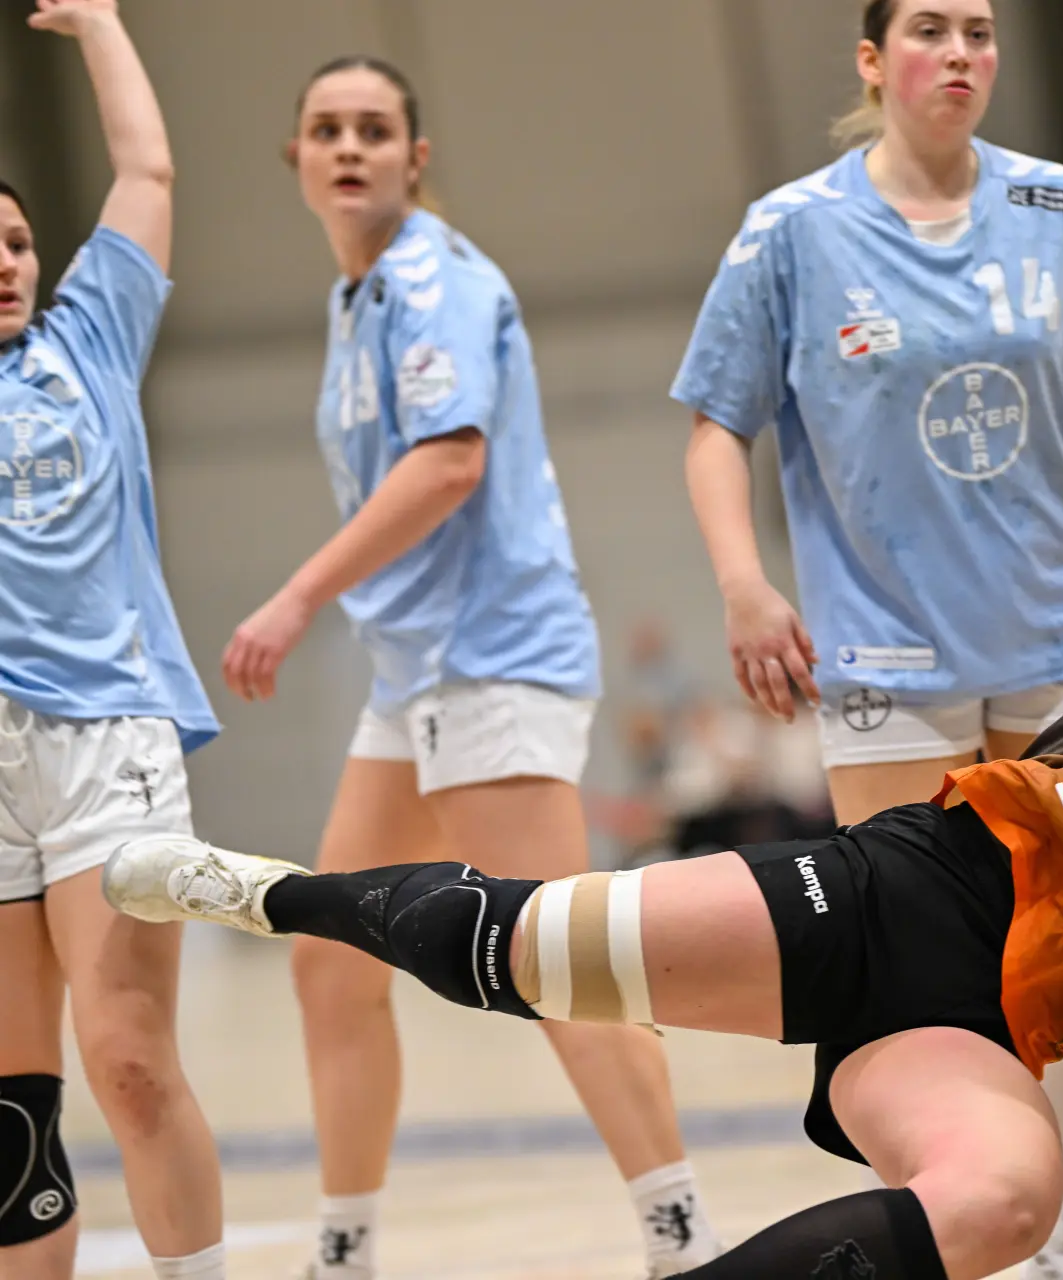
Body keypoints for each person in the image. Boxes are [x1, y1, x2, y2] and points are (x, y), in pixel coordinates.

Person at [107, 380, 1063, 1280]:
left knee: (1012, 1199)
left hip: (977, 1030)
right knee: (529, 949)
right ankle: (264, 891)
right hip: (895, 896)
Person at [672, 1, 1063, 1271]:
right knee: (912, 962)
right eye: (929, 29)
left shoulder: (1058, 208)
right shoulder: (790, 231)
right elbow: (716, 426)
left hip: (1061, 631)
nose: (960, 52)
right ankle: (936, 1222)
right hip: (886, 647)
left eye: (979, 29)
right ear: (873, 61)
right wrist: (745, 585)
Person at [217, 56, 717, 1278]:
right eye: (326, 129)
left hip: (493, 659)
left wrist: (295, 597)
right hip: (416, 674)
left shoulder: (435, 278)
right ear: (297, 158)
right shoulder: (358, 298)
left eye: (373, 129)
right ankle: (344, 1252)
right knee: (331, 960)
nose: (349, 147)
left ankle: (688, 1242)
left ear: (415, 157)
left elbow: (449, 463)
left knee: (553, 963)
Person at [0, 3, 229, 1277]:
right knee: (9, 1104)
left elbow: (147, 169)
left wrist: (97, 22)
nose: (9, 262)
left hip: (106, 743)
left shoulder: (86, 344)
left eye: (19, 241)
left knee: (130, 1060)